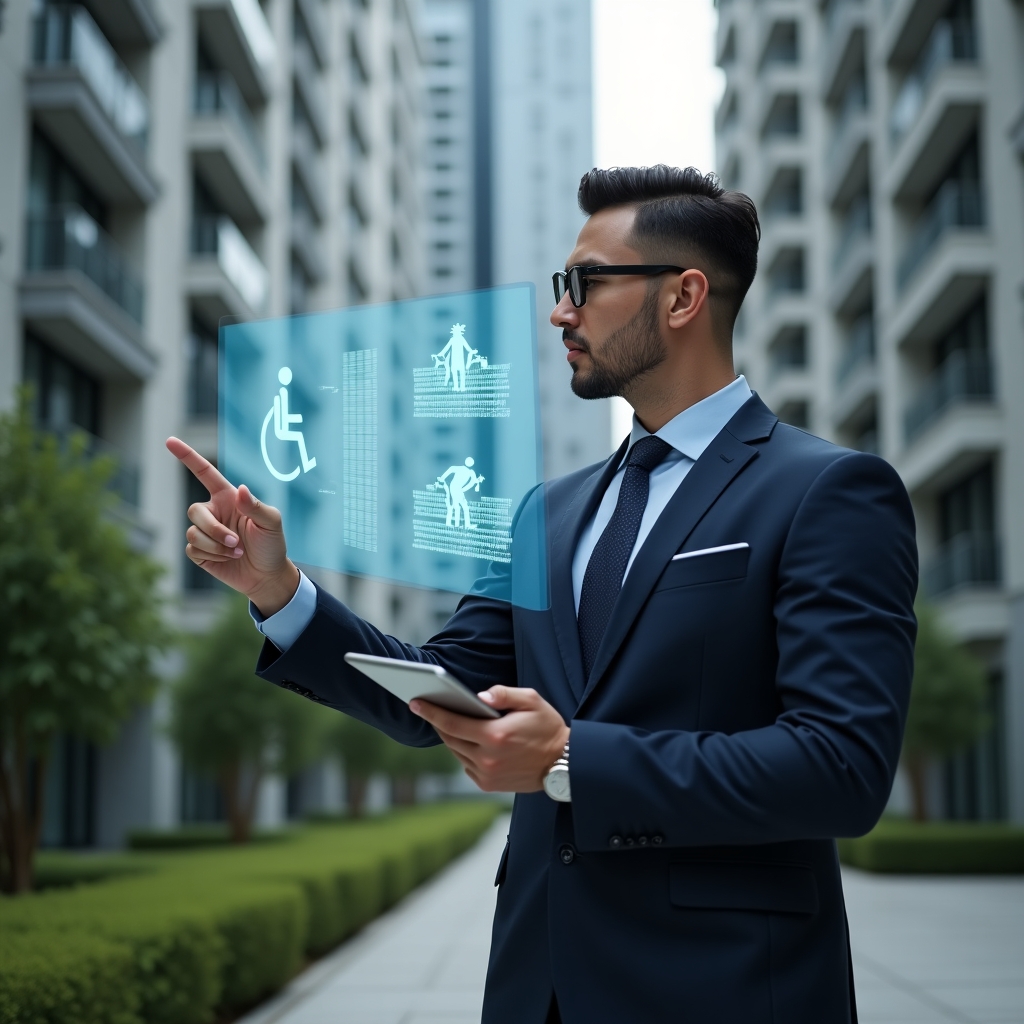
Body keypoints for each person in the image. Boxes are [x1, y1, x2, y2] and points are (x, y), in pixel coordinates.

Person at [167, 166, 917, 1023]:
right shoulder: (545, 514)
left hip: (729, 988)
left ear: (683, 297)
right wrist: (283, 591)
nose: (561, 311)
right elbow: (438, 691)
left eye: (585, 284)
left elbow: (842, 768)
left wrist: (571, 761)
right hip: (539, 986)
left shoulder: (829, 491)